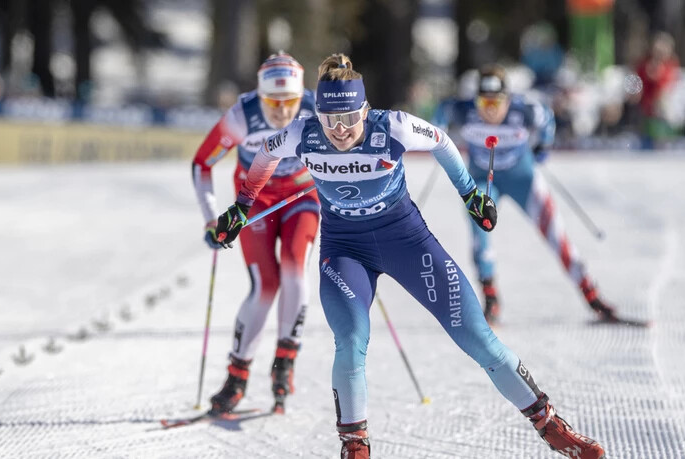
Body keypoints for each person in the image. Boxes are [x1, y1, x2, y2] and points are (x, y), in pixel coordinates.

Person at [211, 53, 605, 459]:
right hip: (345, 250)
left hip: (406, 242)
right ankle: (355, 448)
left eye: (350, 118)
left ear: (364, 109)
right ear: (319, 115)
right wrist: (241, 207)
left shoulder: (392, 125)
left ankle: (550, 425)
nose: (341, 130)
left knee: (477, 336)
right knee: (349, 341)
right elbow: (263, 157)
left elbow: (442, 142)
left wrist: (471, 194)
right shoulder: (302, 132)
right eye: (331, 120)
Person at [433, 64, 619, 325]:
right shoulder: (462, 109)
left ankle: (592, 296)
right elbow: (439, 115)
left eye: (496, 101)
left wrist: (543, 145)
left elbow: (547, 119)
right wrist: (438, 133)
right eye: (483, 101)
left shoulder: (525, 109)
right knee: (480, 232)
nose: (490, 109)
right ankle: (491, 300)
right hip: (483, 178)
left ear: (507, 99)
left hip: (523, 177)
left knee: (556, 234)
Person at [192, 52, 320, 414]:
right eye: (272, 103)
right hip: (255, 204)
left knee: (295, 269)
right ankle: (237, 377)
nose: (281, 112)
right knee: (265, 285)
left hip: (299, 196)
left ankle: (284, 361)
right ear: (260, 97)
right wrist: (209, 218)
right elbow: (203, 163)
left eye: (290, 102)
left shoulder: (316, 109)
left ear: (301, 96)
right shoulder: (240, 117)